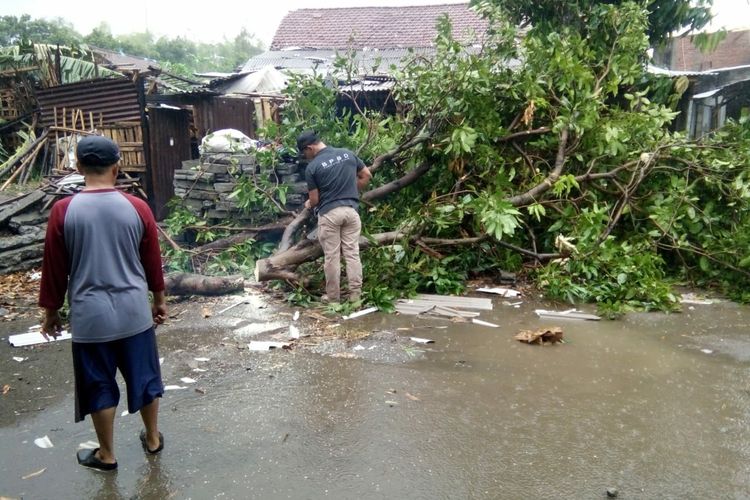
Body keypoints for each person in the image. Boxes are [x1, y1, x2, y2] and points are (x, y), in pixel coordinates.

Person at [39, 135, 167, 472]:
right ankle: (153, 439)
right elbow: (151, 261)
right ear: (117, 167)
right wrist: (159, 299)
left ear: (78, 167)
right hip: (134, 314)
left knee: (98, 384)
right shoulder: (137, 208)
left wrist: (51, 313)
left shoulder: (63, 211)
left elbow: (54, 268)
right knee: (144, 377)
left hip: (90, 317)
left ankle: (107, 454)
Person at [299, 130, 372, 303]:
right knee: (352, 254)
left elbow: (315, 199)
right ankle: (356, 296)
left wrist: (309, 204)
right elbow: (367, 175)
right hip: (351, 212)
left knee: (332, 257)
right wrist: (352, 190)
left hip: (330, 214)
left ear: (309, 148)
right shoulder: (347, 153)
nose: (306, 157)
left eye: (304, 153)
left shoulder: (313, 167)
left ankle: (333, 298)